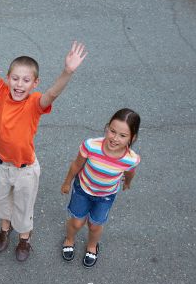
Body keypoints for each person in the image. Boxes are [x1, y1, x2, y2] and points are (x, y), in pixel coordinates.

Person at [0, 8, 87, 262]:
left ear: (35, 83)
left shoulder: (34, 103)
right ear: (8, 79)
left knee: (24, 207)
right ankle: (4, 231)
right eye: (16, 79)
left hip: (25, 169)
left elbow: (52, 94)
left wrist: (68, 72)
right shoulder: (1, 93)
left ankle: (24, 239)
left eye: (26, 80)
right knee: (2, 203)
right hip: (1, 165)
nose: (19, 85)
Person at [60, 108, 141, 267]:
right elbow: (77, 164)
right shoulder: (91, 145)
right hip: (83, 189)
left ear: (132, 137)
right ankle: (69, 239)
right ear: (107, 127)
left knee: (95, 225)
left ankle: (92, 245)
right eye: (112, 131)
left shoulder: (131, 159)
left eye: (123, 135)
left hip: (106, 196)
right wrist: (67, 182)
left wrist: (127, 183)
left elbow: (130, 173)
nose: (115, 138)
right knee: (76, 222)